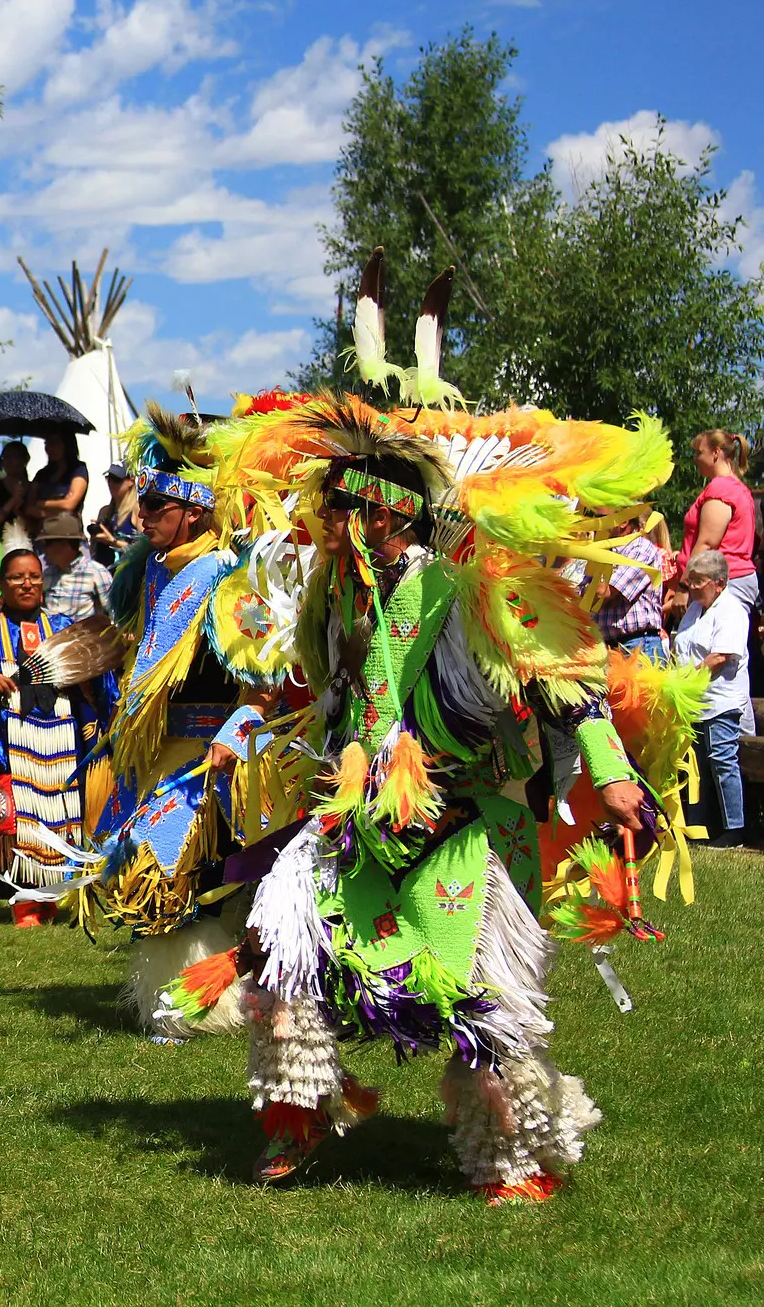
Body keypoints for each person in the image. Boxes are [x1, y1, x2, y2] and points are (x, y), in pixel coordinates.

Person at [201, 379, 678, 1202]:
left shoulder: (470, 588)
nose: (354, 527)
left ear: (407, 516)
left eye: (372, 512)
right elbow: (341, 702)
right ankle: (297, 1112)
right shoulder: (343, 598)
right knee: (282, 946)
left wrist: (610, 774)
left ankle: (511, 1155)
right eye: (347, 512)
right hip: (362, 818)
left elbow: (567, 682)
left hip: (467, 820)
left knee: (480, 1000)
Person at [85, 404, 294, 1041]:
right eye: (141, 503)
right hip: (150, 747)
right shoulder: (147, 570)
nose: (141, 516)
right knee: (144, 866)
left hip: (208, 751)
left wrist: (237, 732)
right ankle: (189, 997)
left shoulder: (229, 577)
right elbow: (133, 644)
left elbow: (265, 674)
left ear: (194, 512)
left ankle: (197, 1000)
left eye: (155, 506)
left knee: (170, 869)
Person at [0, 548, 94, 927]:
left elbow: (91, 678)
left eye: (33, 576)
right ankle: (24, 900)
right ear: (2, 584)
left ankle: (51, 896)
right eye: (16, 577)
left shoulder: (61, 626)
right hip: (8, 738)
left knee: (59, 810)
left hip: (61, 736)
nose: (26, 584)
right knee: (22, 815)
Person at [674, 549, 750, 845]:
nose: (692, 587)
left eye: (698, 581)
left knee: (721, 761)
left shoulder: (732, 610)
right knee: (694, 767)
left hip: (721, 701)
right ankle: (698, 827)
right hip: (692, 703)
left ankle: (735, 829)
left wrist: (686, 680)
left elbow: (719, 657)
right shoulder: (694, 610)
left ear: (719, 583)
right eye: (690, 581)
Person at [683, 430, 757, 612]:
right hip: (727, 583)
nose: (695, 458)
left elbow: (707, 544)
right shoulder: (738, 488)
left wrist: (684, 586)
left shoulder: (721, 488)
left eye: (699, 452)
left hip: (720, 585)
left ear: (716, 452)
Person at [591, 511, 671, 659]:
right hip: (608, 648)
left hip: (639, 647)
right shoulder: (599, 553)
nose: (594, 523)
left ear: (623, 522)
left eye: (601, 518)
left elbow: (603, 592)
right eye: (593, 517)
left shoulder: (640, 549)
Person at [39, 512, 112, 620]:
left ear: (64, 545)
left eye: (47, 543)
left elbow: (114, 612)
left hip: (85, 635)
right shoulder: (47, 574)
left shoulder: (96, 572)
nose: (44, 550)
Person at [28, 431, 88, 536]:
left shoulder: (78, 469)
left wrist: (42, 503)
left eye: (54, 443)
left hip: (70, 535)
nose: (49, 449)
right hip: (43, 535)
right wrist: (55, 510)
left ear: (67, 445)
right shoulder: (42, 474)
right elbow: (28, 507)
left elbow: (69, 504)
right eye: (47, 444)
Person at [0, 440, 32, 532]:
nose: (9, 461)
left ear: (24, 460)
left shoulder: (33, 488)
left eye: (15, 457)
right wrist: (13, 500)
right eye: (6, 457)